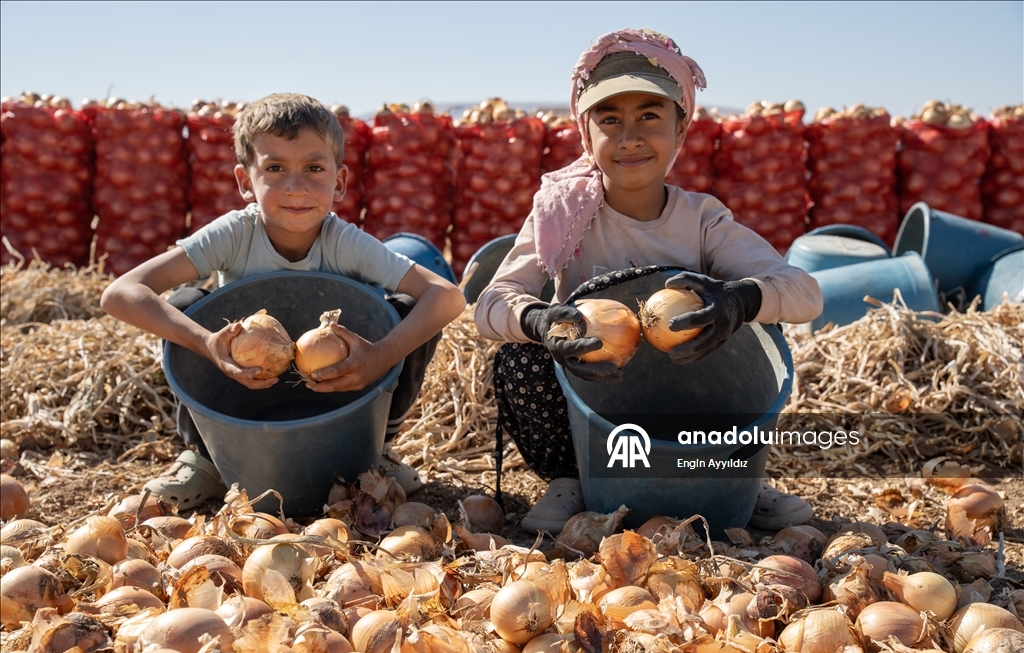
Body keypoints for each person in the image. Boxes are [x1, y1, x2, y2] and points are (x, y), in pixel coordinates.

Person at [474, 29, 824, 533]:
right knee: (519, 356)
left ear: (681, 131)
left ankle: (729, 469)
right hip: (594, 405)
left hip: (690, 396)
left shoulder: (702, 221)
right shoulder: (559, 215)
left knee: (754, 321)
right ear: (585, 133)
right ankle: (570, 477)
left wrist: (739, 300)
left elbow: (804, 293)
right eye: (610, 119)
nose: (630, 136)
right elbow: (490, 305)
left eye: (650, 117)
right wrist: (539, 319)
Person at [101, 93, 466, 510]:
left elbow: (447, 297)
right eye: (275, 168)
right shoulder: (234, 234)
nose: (297, 188)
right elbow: (121, 293)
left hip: (342, 390)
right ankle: (205, 458)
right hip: (243, 384)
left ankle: (378, 447)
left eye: (314, 168)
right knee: (185, 304)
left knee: (405, 308)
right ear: (244, 181)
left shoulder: (344, 241)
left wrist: (380, 356)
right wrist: (206, 343)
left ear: (340, 182)